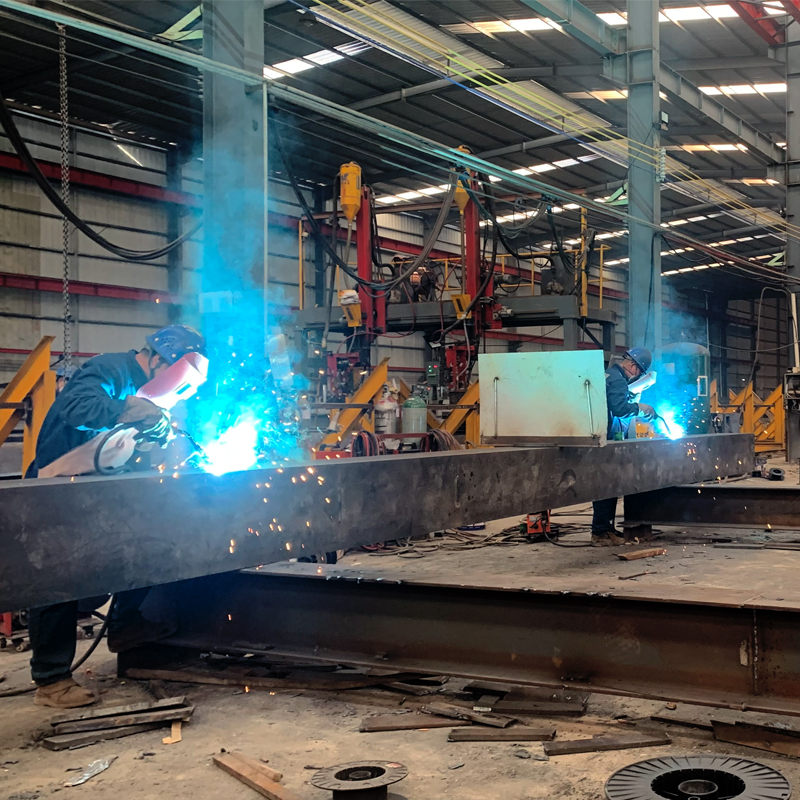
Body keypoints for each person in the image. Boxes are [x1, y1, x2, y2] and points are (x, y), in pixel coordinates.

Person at [27, 324, 206, 708]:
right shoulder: (109, 370)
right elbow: (78, 409)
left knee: (145, 543)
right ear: (157, 359)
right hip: (57, 489)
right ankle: (51, 680)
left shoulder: (151, 388)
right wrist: (129, 410)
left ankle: (126, 626)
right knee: (58, 581)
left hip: (101, 489)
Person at [591, 347, 656, 547]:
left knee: (608, 486)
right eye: (639, 373)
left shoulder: (610, 374)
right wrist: (640, 409)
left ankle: (606, 529)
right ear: (634, 366)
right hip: (605, 440)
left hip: (604, 437)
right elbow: (619, 408)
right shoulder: (618, 379)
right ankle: (600, 532)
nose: (636, 377)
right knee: (606, 487)